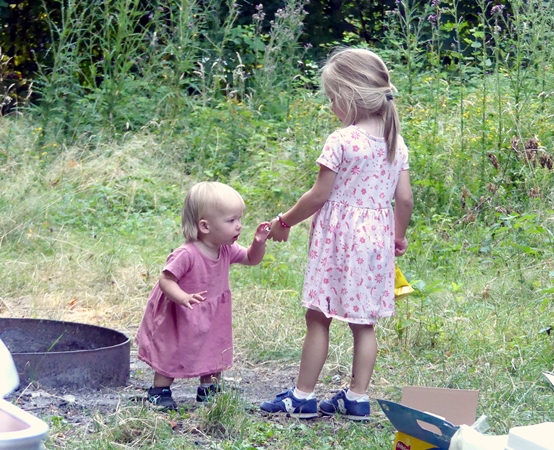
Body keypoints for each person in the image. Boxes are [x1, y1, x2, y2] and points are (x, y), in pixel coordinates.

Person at [260, 48, 414, 421]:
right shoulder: (395, 143)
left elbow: (318, 195)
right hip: (376, 241)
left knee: (319, 317)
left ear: (350, 95)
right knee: (364, 323)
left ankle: (302, 397)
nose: (331, 106)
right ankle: (357, 398)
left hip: (339, 241)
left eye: (332, 98)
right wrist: (397, 236)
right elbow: (405, 199)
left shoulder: (342, 140)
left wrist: (284, 222)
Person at [136, 181, 271, 409]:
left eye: (239, 219)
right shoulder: (187, 254)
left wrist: (258, 243)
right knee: (172, 349)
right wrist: (182, 297)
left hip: (213, 314)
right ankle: (159, 391)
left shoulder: (225, 248)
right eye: (231, 220)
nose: (239, 226)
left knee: (214, 347)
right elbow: (166, 279)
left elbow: (251, 258)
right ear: (205, 226)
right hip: (182, 313)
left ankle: (209, 390)